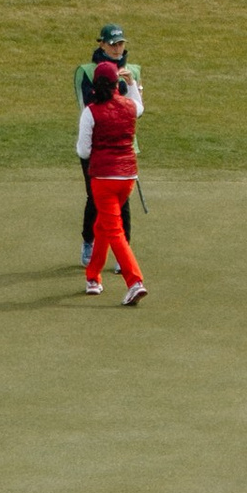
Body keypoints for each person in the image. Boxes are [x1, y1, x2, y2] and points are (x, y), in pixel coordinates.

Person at [79, 54, 148, 305]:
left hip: (103, 180)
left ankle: (134, 282)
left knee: (114, 230)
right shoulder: (130, 106)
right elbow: (139, 107)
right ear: (116, 83)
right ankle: (93, 277)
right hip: (127, 178)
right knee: (102, 226)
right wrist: (132, 84)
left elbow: (83, 151)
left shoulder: (91, 112)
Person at [77, 25, 141, 258]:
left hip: (123, 146)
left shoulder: (132, 71)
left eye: (120, 43)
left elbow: (137, 109)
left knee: (123, 204)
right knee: (94, 198)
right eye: (112, 44)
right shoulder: (87, 71)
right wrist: (117, 89)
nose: (117, 48)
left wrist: (130, 85)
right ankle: (89, 242)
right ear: (102, 44)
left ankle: (123, 251)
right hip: (96, 146)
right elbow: (90, 104)